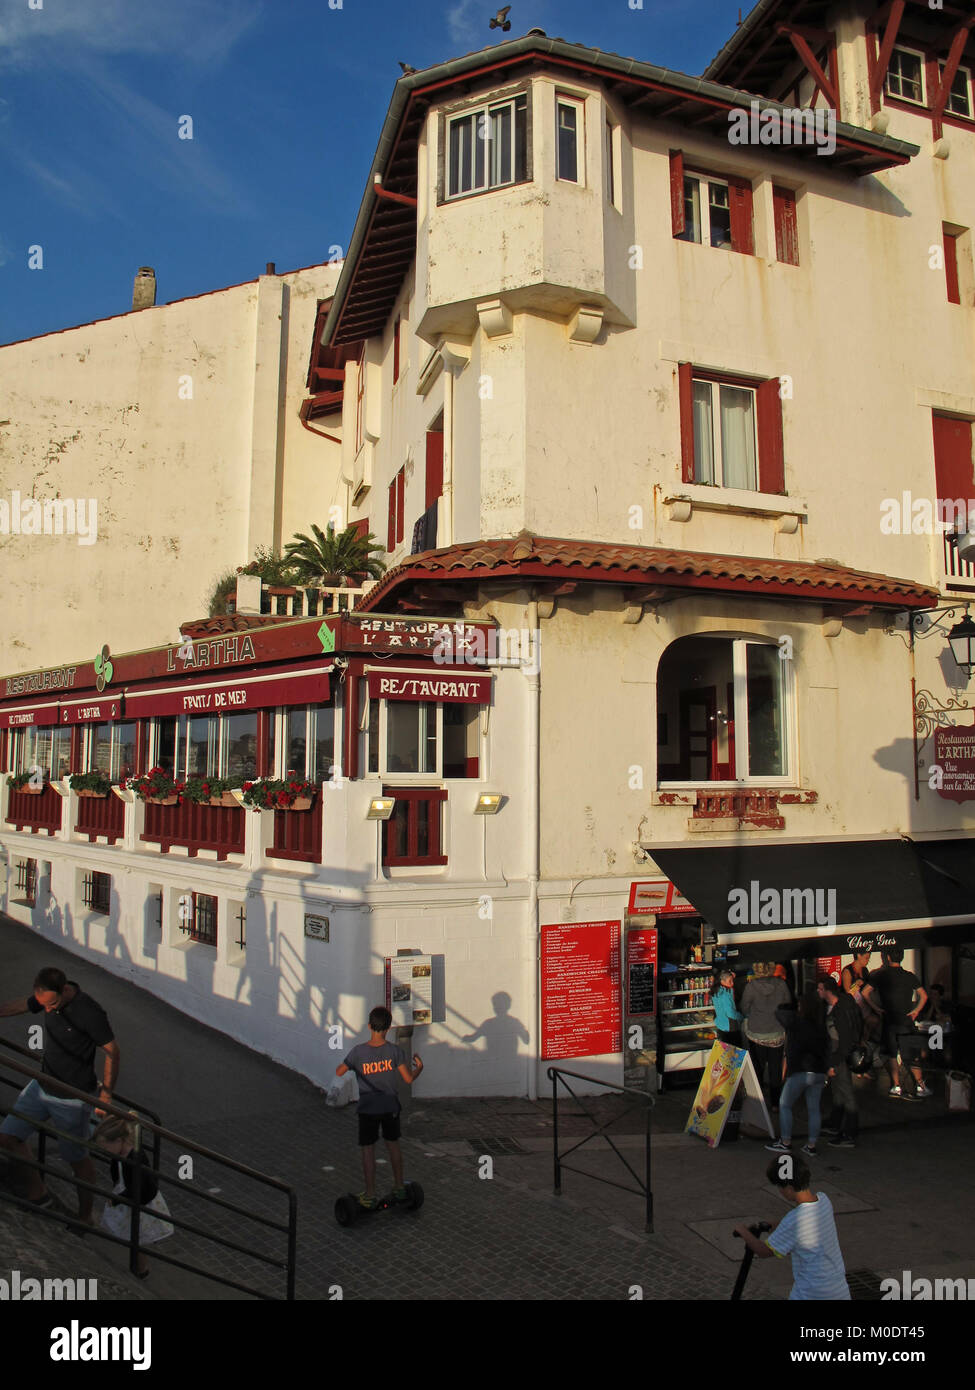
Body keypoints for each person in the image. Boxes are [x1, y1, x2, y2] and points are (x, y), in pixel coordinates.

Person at [0, 967, 119, 1224]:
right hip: (43, 1085)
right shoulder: (46, 998)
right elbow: (21, 1005)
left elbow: (112, 1051)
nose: (49, 1010)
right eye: (44, 1005)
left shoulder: (89, 1011)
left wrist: (105, 1097)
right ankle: (38, 1192)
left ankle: (85, 1216)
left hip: (73, 1097)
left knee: (76, 1160)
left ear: (65, 990)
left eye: (52, 1004)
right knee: (8, 1137)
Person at [335, 1006, 423, 1209]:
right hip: (390, 1106)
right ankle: (399, 1187)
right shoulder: (394, 1051)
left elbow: (340, 1071)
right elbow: (408, 1079)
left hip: (368, 1108)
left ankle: (370, 1194)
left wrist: (356, 1068)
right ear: (388, 1027)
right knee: (393, 1145)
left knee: (368, 1149)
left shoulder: (358, 1052)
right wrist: (419, 1067)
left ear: (369, 1026)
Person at [734, 1156, 851, 1300]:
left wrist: (743, 1231)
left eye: (779, 1186)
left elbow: (764, 1251)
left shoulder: (796, 1220)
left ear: (789, 1188)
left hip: (812, 1293)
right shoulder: (824, 1200)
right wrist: (770, 1225)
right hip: (838, 1289)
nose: (779, 1191)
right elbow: (794, 1226)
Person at [92, 1113, 173, 1278]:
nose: (104, 1151)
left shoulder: (135, 1158)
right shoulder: (120, 1154)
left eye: (105, 1146)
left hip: (139, 1201)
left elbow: (139, 1188)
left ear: (119, 1141)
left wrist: (116, 1198)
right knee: (135, 1235)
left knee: (137, 1236)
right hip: (130, 1196)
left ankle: (141, 1269)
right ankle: (140, 1267)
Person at [766, 989, 829, 1157]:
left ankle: (785, 1141)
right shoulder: (821, 1026)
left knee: (785, 1104)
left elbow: (780, 1014)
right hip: (818, 1071)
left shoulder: (796, 1023)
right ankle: (811, 1145)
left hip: (800, 1070)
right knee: (814, 1108)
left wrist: (790, 1006)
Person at [860, 949, 930, 1099]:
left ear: (888, 957)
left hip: (889, 1020)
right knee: (913, 1054)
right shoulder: (909, 976)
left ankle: (896, 1086)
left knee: (892, 1054)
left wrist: (877, 1008)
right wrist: (916, 1011)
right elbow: (924, 995)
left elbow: (865, 992)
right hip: (906, 1020)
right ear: (902, 957)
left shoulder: (881, 975)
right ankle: (920, 1085)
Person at [817, 975, 862, 1148]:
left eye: (820, 989)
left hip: (839, 1056)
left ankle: (849, 1133)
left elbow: (843, 1041)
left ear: (827, 991)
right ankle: (836, 1123)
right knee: (838, 1091)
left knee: (846, 1092)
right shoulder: (842, 1004)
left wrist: (832, 1063)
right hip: (838, 1054)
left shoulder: (839, 1011)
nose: (818, 992)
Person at [740, 962, 791, 1111]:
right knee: (775, 1069)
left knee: (758, 1068)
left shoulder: (751, 986)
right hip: (777, 1031)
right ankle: (775, 1103)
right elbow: (788, 1004)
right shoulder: (781, 984)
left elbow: (744, 1007)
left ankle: (758, 1102)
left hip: (756, 1033)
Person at [842, 950, 880, 1044]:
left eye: (868, 958)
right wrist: (856, 984)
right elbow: (848, 992)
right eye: (866, 958)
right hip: (853, 1005)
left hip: (865, 1004)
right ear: (859, 956)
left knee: (874, 1020)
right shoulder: (847, 971)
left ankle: (864, 1041)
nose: (867, 961)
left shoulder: (865, 970)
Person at [712, 969, 742, 1045]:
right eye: (730, 981)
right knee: (736, 1051)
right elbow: (730, 1013)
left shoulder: (716, 991)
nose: (732, 983)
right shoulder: (725, 994)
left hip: (721, 1025)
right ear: (722, 981)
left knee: (725, 1051)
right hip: (730, 1026)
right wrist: (741, 1016)